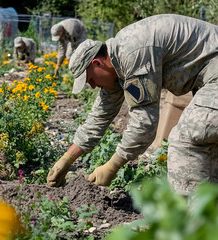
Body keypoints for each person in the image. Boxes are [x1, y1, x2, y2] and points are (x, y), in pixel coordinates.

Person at [47, 14, 218, 196]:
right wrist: (68, 158)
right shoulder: (116, 63)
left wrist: (112, 166)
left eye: (90, 80)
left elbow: (145, 124)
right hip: (209, 77)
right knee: (208, 144)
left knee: (186, 139)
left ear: (97, 63)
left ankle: (192, 221)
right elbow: (100, 115)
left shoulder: (132, 54)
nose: (93, 86)